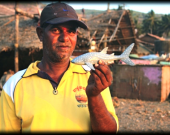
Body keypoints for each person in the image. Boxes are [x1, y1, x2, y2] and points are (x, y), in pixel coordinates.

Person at [0, 2, 118, 133]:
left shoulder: (93, 76)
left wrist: (94, 96)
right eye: (56, 30)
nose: (65, 38)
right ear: (40, 34)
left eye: (71, 31)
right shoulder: (13, 85)